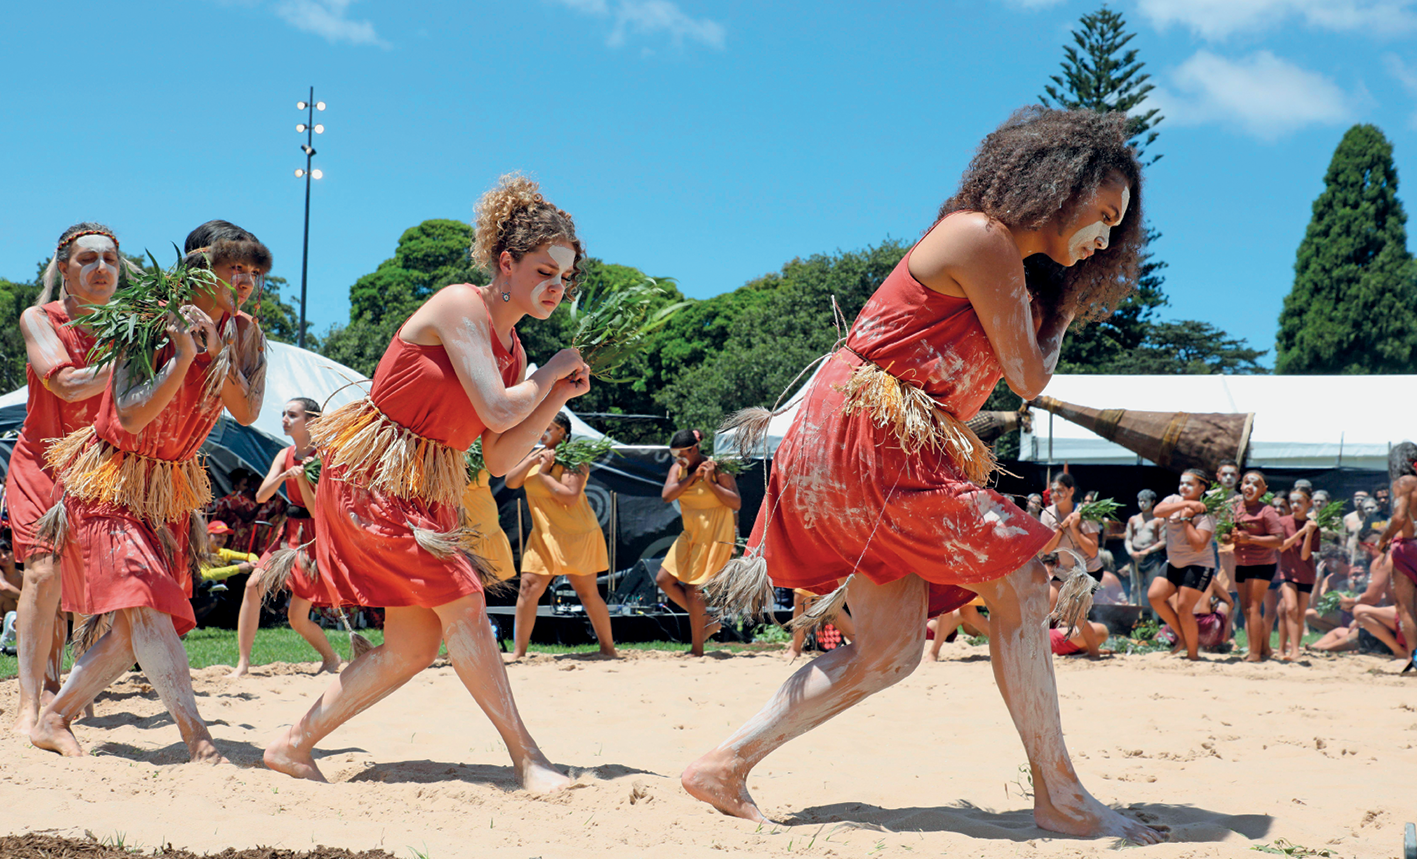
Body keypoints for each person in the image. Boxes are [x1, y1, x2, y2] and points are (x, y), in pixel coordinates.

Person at [685, 108, 1160, 844]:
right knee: (1024, 585)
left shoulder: (1009, 266)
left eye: (1114, 226)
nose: (1103, 237)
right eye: (1100, 215)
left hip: (870, 450)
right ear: (1056, 185)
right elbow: (1028, 375)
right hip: (867, 445)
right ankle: (1059, 796)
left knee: (890, 650)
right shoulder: (982, 237)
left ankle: (722, 765)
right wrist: (1062, 314)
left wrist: (1053, 304)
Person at [264, 175, 587, 792]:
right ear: (507, 262)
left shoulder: (515, 354)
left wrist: (553, 396)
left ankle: (291, 743)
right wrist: (549, 373)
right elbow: (495, 408)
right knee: (463, 603)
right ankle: (529, 759)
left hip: (423, 490)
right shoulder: (459, 305)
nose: (555, 286)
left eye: (565, 277)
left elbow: (498, 457)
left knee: (410, 648)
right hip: (372, 477)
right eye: (545, 270)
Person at [30, 226, 270, 760]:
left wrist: (215, 351)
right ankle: (199, 740)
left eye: (255, 273)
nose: (247, 282)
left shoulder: (246, 332)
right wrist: (183, 354)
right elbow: (133, 414)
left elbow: (248, 411)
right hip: (111, 479)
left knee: (130, 627)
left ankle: (54, 718)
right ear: (202, 267)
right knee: (146, 607)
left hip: (168, 493)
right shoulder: (149, 318)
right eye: (237, 269)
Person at [6, 224, 120, 736]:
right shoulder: (40, 318)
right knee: (43, 574)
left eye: (110, 260)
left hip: (95, 469)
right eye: (88, 259)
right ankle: (30, 700)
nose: (101, 268)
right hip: (40, 464)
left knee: (82, 590)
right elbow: (69, 386)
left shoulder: (131, 326)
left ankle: (62, 687)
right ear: (66, 269)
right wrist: (138, 358)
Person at [229, 397, 339, 678]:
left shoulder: (326, 457)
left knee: (297, 618)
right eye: (283, 414)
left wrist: (301, 478)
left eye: (292, 414)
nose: (284, 419)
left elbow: (316, 510)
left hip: (311, 538)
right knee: (253, 586)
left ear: (311, 421)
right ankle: (243, 663)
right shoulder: (284, 454)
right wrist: (284, 476)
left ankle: (330, 657)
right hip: (287, 532)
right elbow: (261, 495)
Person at [504, 412, 617, 659]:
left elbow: (569, 496)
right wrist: (534, 462)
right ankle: (518, 653)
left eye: (550, 427)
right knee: (527, 588)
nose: (544, 430)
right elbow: (511, 482)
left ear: (563, 433)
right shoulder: (536, 456)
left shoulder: (574, 459)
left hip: (575, 534)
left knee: (587, 592)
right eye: (541, 426)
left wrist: (544, 474)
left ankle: (608, 649)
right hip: (543, 535)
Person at [657, 429, 741, 656]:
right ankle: (707, 621)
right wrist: (692, 478)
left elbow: (735, 503)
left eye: (682, 453)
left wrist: (709, 482)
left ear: (695, 449)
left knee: (693, 589)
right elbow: (667, 495)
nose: (678, 458)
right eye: (675, 454)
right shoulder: (679, 469)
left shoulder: (717, 468)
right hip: (691, 533)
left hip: (715, 534)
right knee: (664, 580)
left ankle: (697, 650)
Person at [1149, 469, 1218, 661]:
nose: (1183, 487)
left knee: (1184, 607)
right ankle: (1182, 637)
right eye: (1182, 483)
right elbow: (1157, 511)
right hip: (1175, 562)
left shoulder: (1207, 512)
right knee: (1155, 596)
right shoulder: (1173, 500)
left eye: (1189, 484)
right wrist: (1187, 503)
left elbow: (1198, 545)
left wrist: (1187, 519)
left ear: (1201, 488)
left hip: (1198, 564)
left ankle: (1193, 654)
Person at [1226, 470, 1284, 663]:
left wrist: (1250, 538)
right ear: (1240, 486)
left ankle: (1255, 655)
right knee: (1245, 609)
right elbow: (1225, 534)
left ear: (1263, 490)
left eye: (1255, 484)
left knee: (1253, 607)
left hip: (1262, 563)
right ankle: (1263, 648)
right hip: (1241, 563)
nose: (1249, 487)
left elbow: (1278, 540)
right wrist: (1228, 536)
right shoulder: (1234, 507)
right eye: (1246, 483)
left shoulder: (1267, 511)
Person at [1376, 441, 1417, 670]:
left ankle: (1416, 659)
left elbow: (1400, 517)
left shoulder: (1403, 482)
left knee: (1406, 608)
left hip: (1408, 547)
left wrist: (1383, 539)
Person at [1275, 487, 1320, 661]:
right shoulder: (1283, 522)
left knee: (1299, 614)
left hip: (1306, 573)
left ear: (1309, 504)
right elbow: (1281, 546)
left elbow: (1305, 555)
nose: (1294, 506)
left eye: (1299, 502)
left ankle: (1294, 649)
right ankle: (1289, 650)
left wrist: (1309, 532)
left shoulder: (1315, 527)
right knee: (1290, 608)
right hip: (1286, 571)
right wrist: (1301, 532)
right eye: (1292, 502)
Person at [1124, 489, 1166, 606]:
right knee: (1134, 587)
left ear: (1152, 502)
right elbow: (1128, 539)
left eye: (1145, 501)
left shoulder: (1159, 520)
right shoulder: (1133, 519)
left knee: (1153, 589)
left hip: (1152, 557)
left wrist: (1147, 551)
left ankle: (1154, 620)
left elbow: (1163, 541)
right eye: (1140, 501)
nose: (1142, 504)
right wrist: (1131, 552)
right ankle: (1133, 619)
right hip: (1135, 557)